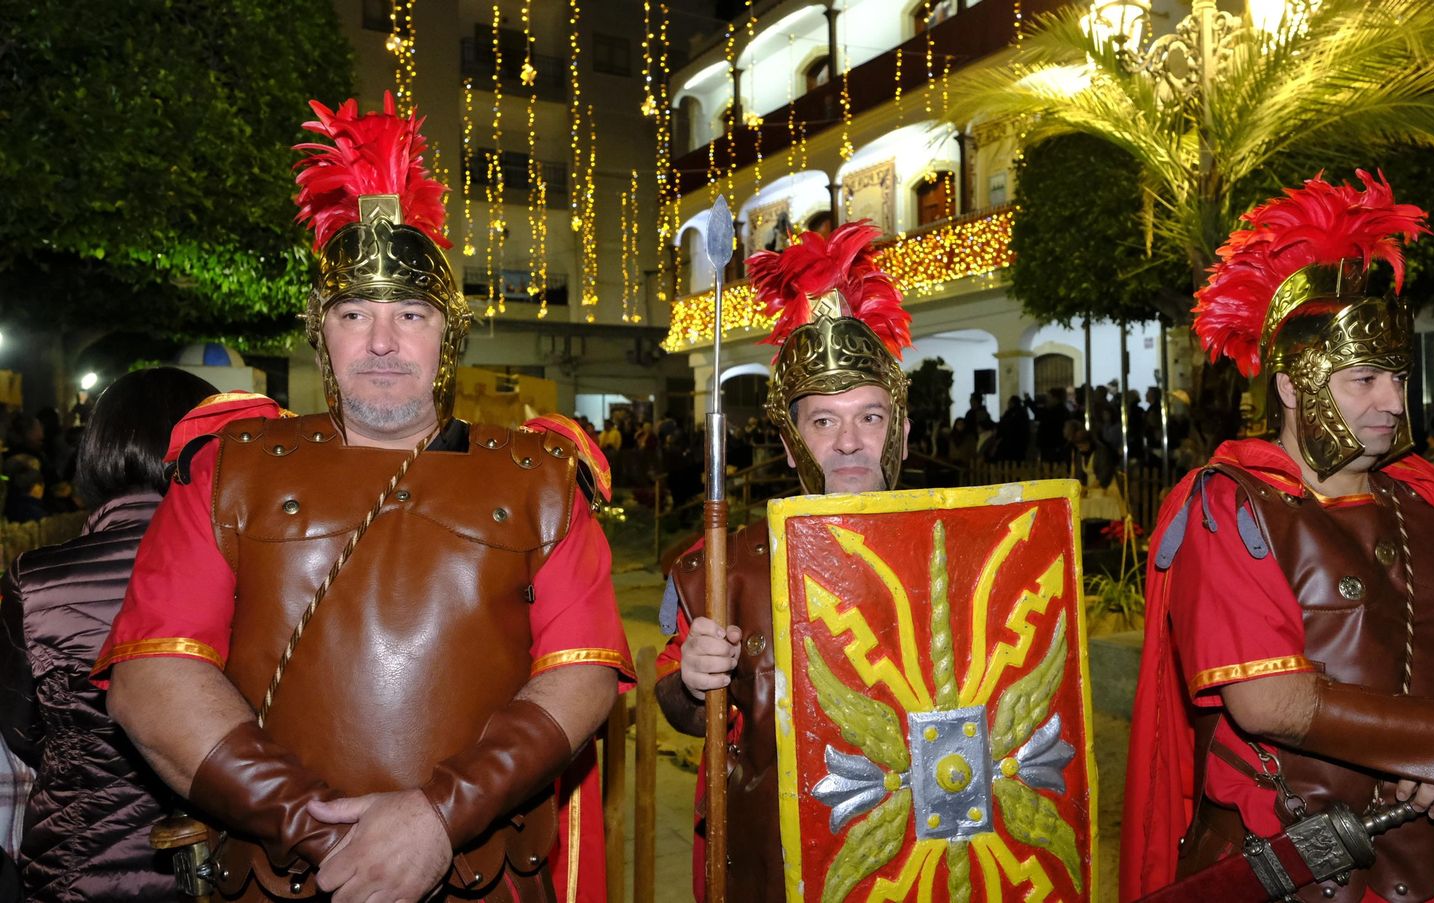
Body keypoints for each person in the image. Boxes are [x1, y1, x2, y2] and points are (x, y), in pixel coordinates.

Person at [92, 95, 631, 902]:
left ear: (447, 337)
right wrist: (326, 830)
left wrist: (434, 819)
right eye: (355, 314)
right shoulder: (228, 467)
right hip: (278, 876)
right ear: (322, 332)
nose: (382, 342)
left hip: (484, 874)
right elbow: (153, 679)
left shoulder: (541, 476)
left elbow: (581, 675)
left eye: (410, 314)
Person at [1122, 172, 1434, 902]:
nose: (1391, 402)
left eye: (1396, 377)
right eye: (1363, 380)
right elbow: (1269, 701)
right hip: (1299, 874)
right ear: (1293, 385)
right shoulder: (1232, 506)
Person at [653, 221, 912, 902]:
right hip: (778, 861)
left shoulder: (965, 549)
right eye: (823, 421)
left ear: (903, 430)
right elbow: (679, 708)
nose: (850, 442)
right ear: (793, 442)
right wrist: (692, 677)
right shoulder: (728, 566)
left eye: (870, 417)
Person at [0, 368, 219, 901]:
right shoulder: (254, 572)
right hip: (224, 863)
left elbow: (21, 735)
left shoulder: (35, 581)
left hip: (81, 866)